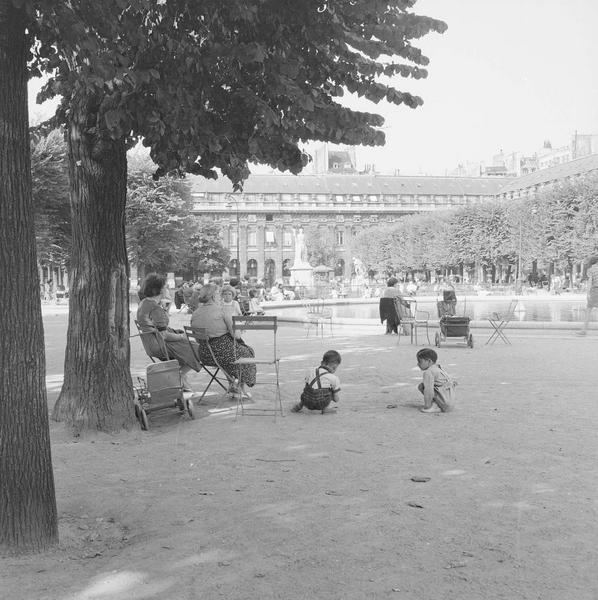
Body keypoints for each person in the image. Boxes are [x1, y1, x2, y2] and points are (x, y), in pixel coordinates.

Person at [136, 273, 200, 391]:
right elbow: (164, 335)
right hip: (160, 345)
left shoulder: (144, 303)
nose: (167, 289)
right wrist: (182, 336)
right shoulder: (155, 308)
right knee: (198, 349)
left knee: (191, 346)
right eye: (165, 287)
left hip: (151, 343)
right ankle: (178, 376)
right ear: (160, 290)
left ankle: (179, 377)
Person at [190, 283, 256, 397]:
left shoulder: (195, 314)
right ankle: (240, 388)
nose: (220, 296)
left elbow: (196, 339)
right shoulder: (222, 311)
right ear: (213, 296)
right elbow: (236, 336)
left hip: (205, 354)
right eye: (218, 294)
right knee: (247, 352)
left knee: (230, 355)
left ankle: (232, 384)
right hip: (222, 354)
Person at [415, 348, 455, 413]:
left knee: (423, 386)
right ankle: (437, 404)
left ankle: (434, 406)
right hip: (450, 402)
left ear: (429, 361)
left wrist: (427, 406)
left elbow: (428, 390)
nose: (418, 364)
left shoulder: (428, 372)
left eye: (420, 361)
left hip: (444, 404)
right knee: (423, 385)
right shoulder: (438, 367)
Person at [577, 256, 598, 336]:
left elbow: (589, 282)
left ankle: (584, 331)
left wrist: (588, 293)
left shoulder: (590, 270)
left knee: (588, 311)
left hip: (594, 291)